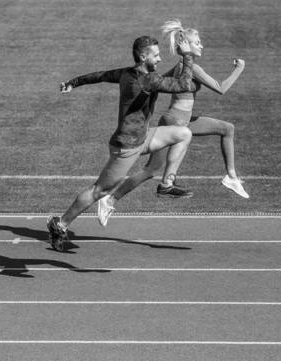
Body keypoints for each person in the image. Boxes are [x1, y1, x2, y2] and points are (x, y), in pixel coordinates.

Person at [46, 36, 197, 252]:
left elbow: (100, 76)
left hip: (142, 138)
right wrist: (187, 55)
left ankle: (166, 185)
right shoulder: (148, 80)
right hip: (126, 147)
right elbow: (184, 84)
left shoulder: (127, 73)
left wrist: (73, 82)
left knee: (183, 134)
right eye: (156, 55)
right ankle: (59, 225)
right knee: (98, 191)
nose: (160, 58)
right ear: (143, 57)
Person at [96, 19, 248, 226]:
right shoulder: (192, 68)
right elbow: (221, 88)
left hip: (182, 121)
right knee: (150, 170)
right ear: (187, 46)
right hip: (175, 122)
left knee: (226, 128)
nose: (201, 45)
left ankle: (231, 177)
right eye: (197, 42)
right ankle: (146, 189)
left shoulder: (181, 66)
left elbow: (157, 82)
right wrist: (240, 69)